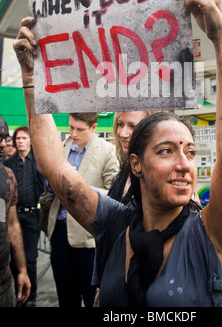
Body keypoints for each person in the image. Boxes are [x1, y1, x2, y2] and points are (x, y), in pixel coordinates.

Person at [13, 0, 222, 307]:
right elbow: (54, 166)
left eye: (190, 151)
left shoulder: (209, 235)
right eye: (166, 150)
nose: (184, 163)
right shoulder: (115, 224)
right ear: (135, 163)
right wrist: (29, 77)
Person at [47, 112, 119, 307]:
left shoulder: (107, 151)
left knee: (91, 298)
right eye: (71, 127)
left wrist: (83, 189)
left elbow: (115, 193)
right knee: (65, 296)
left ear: (94, 127)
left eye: (80, 129)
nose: (74, 133)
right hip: (60, 232)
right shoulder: (61, 147)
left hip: (89, 238)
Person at [4, 126, 44, 307]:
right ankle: (18, 294)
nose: (20, 141)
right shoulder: (8, 165)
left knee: (29, 258)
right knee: (12, 256)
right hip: (12, 215)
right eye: (17, 138)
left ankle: (31, 297)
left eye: (24, 138)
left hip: (32, 216)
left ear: (30, 140)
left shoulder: (38, 162)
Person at [0, 162, 31, 307]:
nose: (3, 143)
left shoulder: (5, 176)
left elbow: (8, 223)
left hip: (4, 286)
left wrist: (22, 270)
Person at [108, 111, 152, 204]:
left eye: (132, 126)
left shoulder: (156, 175)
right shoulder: (126, 168)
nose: (123, 134)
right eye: (120, 124)